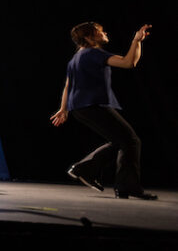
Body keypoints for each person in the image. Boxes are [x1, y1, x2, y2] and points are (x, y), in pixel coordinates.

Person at [50, 22, 156, 200]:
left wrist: (64, 108)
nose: (105, 32)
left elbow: (68, 86)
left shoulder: (75, 58)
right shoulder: (93, 53)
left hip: (80, 108)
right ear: (89, 37)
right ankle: (123, 184)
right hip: (92, 106)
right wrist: (136, 41)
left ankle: (89, 171)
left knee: (121, 141)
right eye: (100, 32)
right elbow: (129, 62)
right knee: (131, 140)